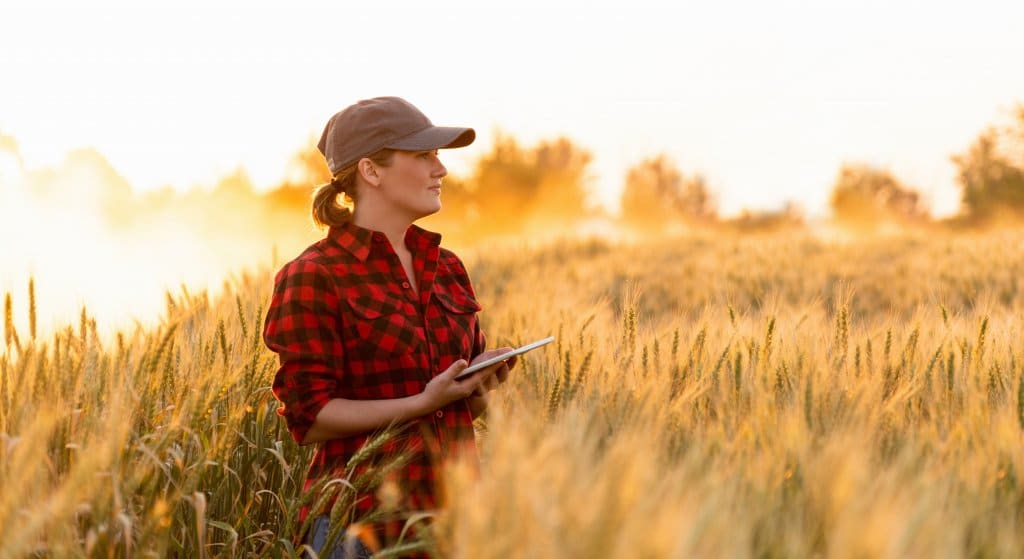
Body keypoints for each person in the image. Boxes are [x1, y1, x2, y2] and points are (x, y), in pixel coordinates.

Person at [262, 96, 516, 558]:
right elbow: (310, 417)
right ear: (370, 171)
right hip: (359, 528)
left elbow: (451, 415)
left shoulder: (448, 267)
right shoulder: (315, 275)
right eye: (423, 156)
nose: (441, 169)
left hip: (452, 521)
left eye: (437, 156)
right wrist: (423, 401)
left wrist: (476, 387)